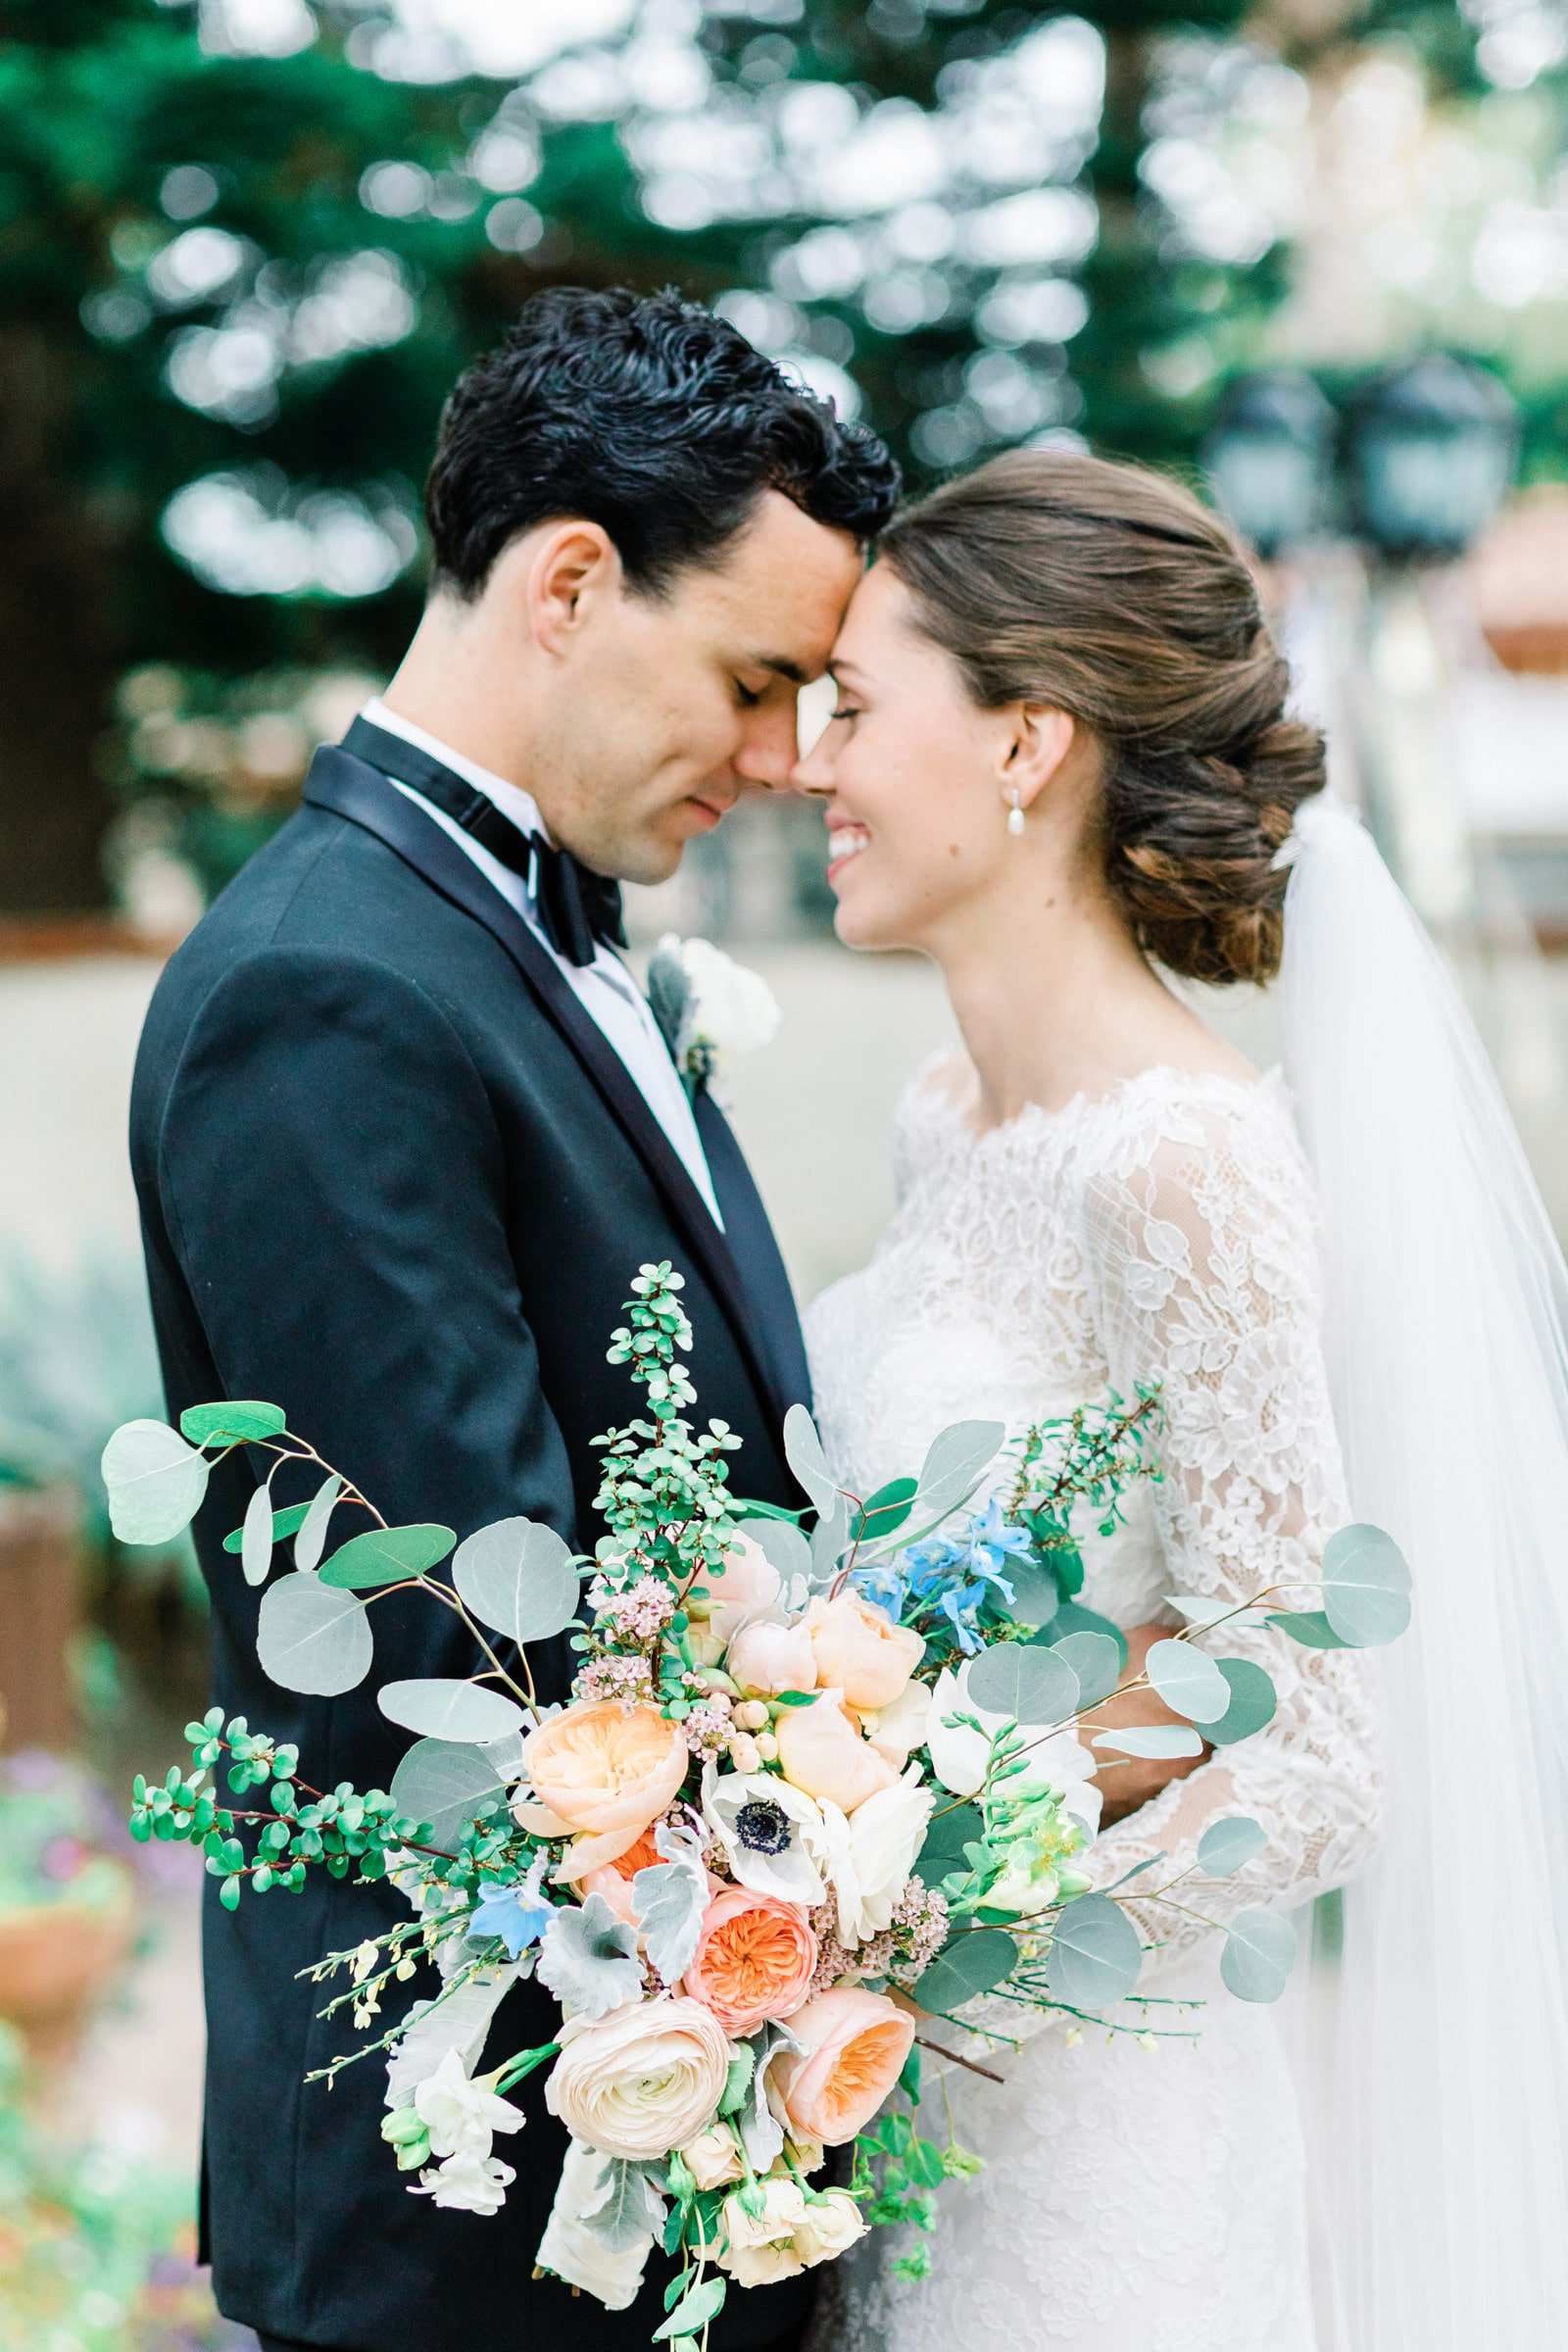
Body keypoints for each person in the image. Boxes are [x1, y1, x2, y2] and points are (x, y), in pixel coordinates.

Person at [128, 286, 899, 2352]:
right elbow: (461, 1641)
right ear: (571, 580)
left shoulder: (543, 940)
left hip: (660, 2147)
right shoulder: (330, 993)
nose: (772, 758)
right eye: (756, 679)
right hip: (472, 2198)